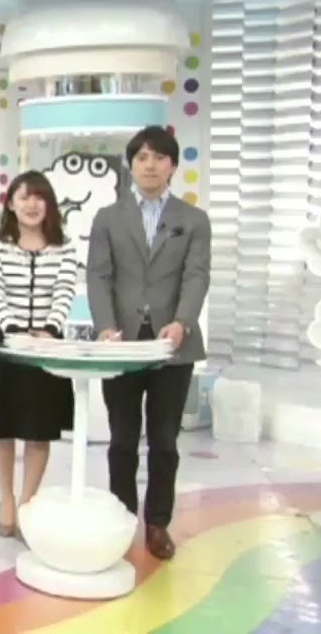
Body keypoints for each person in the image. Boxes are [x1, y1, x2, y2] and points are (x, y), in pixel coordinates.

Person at [86, 125, 211, 561]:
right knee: (122, 440)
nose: (150, 165)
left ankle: (157, 523)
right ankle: (122, 519)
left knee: (164, 442)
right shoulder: (107, 218)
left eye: (159, 157)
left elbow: (196, 276)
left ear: (173, 165)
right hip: (121, 346)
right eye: (142, 157)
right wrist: (105, 326)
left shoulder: (193, 220)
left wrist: (182, 322)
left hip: (172, 348)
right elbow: (98, 276)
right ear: (131, 164)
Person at [0, 170, 78, 538]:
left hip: (46, 345)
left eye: (39, 197)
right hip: (3, 342)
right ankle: (6, 499)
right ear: (11, 203)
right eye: (24, 196)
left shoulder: (65, 247)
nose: (32, 204)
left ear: (49, 205)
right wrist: (13, 329)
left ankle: (28, 503)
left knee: (38, 428)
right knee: (1, 426)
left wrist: (50, 330)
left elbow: (64, 292)